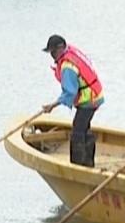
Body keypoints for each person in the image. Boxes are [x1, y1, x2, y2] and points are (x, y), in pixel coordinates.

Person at [40, 34, 105, 167]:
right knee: (84, 127)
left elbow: (70, 92)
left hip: (89, 99)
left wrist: (53, 105)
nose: (52, 56)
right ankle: (88, 162)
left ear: (60, 49)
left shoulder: (67, 66)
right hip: (96, 93)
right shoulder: (71, 52)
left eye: (53, 52)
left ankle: (78, 165)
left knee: (78, 130)